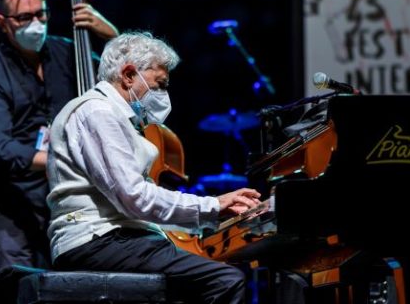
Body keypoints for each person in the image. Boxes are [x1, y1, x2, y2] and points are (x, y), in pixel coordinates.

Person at [46, 31, 262, 303]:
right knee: (225, 280)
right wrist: (213, 205)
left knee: (217, 273)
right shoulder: (98, 113)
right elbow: (134, 197)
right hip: (96, 240)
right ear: (127, 75)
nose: (163, 94)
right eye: (159, 84)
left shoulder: (119, 118)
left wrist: (206, 220)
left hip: (116, 238)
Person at [0, 0, 119, 271]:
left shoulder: (67, 51)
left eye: (41, 13)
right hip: (13, 202)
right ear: (3, 22)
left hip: (67, 198)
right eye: (24, 17)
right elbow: (0, 147)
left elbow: (121, 85)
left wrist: (112, 36)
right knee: (18, 287)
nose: (36, 23)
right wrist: (60, 157)